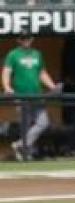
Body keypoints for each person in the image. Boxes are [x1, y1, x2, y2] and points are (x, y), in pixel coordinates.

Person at [2, 28, 58, 161]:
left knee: (43, 123)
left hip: (37, 94)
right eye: (23, 38)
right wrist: (7, 86)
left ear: (31, 39)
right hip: (21, 94)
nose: (25, 41)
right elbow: (6, 72)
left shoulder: (37, 54)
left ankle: (21, 145)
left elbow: (42, 73)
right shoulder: (13, 54)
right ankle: (25, 152)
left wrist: (52, 86)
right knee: (25, 124)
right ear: (18, 40)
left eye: (28, 38)